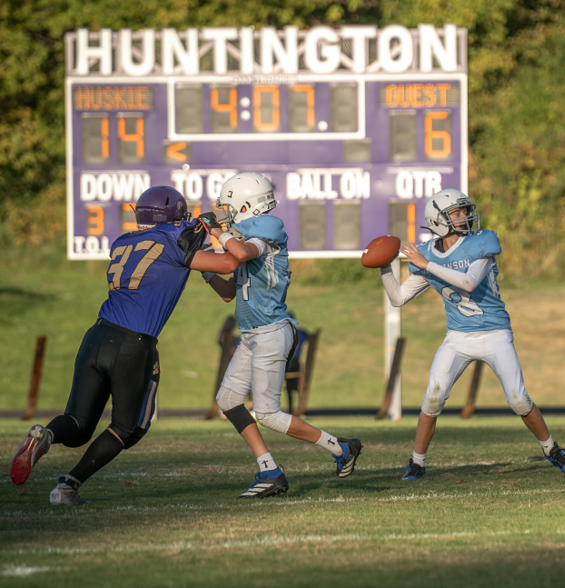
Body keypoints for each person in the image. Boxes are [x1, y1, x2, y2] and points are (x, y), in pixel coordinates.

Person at [10, 186, 239, 505]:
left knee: (77, 424)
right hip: (134, 344)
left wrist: (196, 234)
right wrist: (213, 230)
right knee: (127, 427)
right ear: (173, 216)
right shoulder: (174, 239)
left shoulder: (123, 242)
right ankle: (66, 487)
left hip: (97, 335)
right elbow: (227, 265)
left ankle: (45, 435)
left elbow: (180, 251)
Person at [376, 188, 565, 480]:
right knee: (433, 398)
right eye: (456, 213)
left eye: (464, 211)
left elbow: (469, 283)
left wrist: (428, 265)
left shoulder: (480, 242)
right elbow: (397, 298)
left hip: (495, 333)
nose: (465, 217)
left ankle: (552, 450)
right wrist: (384, 266)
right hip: (458, 337)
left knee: (518, 399)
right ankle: (417, 463)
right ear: (438, 220)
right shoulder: (425, 254)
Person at [198, 172, 361, 499]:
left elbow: (239, 255)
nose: (226, 214)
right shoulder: (244, 235)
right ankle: (269, 469)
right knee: (228, 400)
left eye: (230, 208)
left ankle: (340, 447)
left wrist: (218, 234)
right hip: (252, 333)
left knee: (268, 413)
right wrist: (202, 265)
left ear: (246, 205)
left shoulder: (267, 227)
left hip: (272, 330)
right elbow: (230, 291)